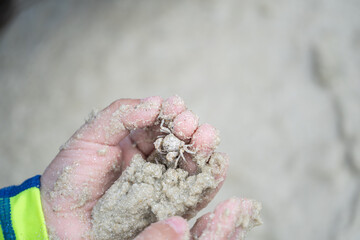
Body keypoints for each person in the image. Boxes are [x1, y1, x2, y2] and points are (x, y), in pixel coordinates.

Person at [0, 96, 260, 240]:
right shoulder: (161, 142)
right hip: (168, 144)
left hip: (175, 146)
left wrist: (42, 215)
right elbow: (166, 142)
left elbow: (179, 145)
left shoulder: (178, 146)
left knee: (187, 141)